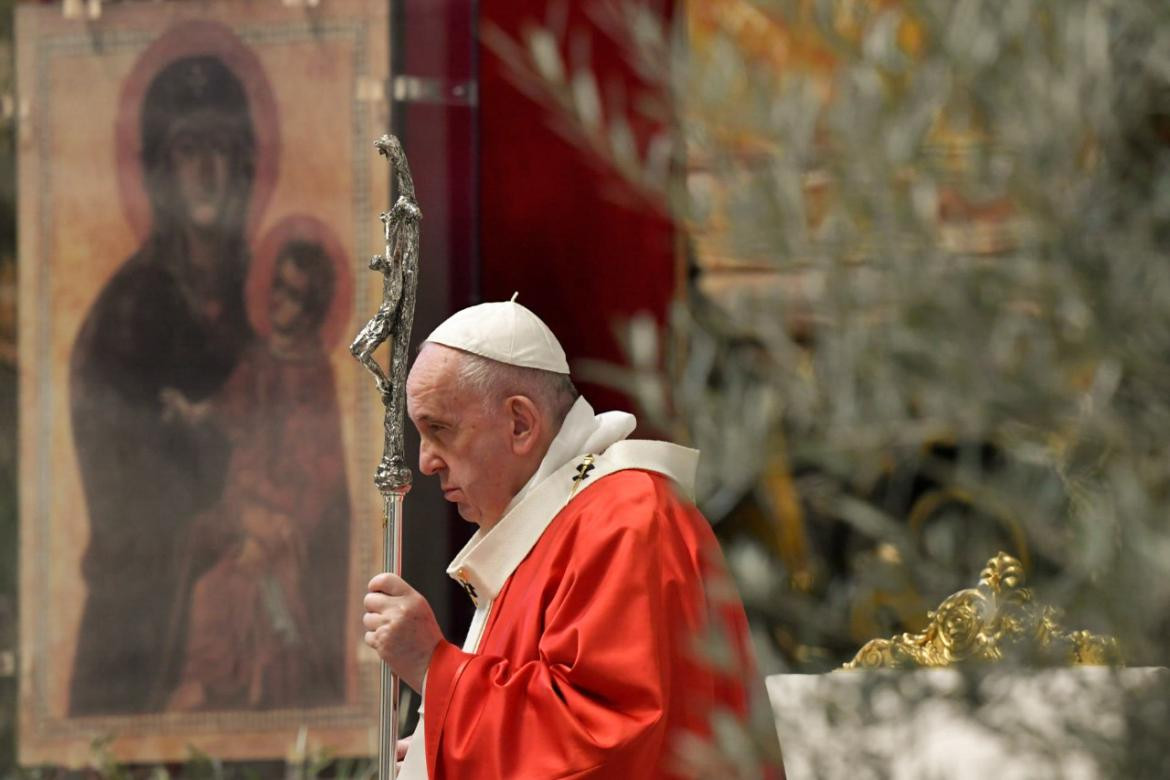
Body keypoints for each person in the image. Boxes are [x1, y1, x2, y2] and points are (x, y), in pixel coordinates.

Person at [362, 300, 784, 779]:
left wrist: (432, 666)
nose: (426, 462)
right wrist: (446, 749)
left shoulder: (627, 518)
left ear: (520, 424)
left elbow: (603, 739)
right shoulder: (558, 524)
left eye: (439, 430)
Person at [69, 54, 257, 714]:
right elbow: (123, 499)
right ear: (160, 170)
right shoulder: (125, 316)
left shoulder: (271, 298)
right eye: (187, 149)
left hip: (252, 618)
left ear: (244, 165)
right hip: (142, 635)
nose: (206, 170)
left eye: (221, 148)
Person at [162, 238, 350, 711]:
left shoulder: (315, 375)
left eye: (292, 293)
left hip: (285, 518)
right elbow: (228, 407)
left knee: (228, 591)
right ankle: (189, 680)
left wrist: (273, 529)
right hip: (241, 503)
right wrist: (190, 412)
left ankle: (225, 687)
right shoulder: (259, 358)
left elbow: (321, 468)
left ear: (311, 309)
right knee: (192, 555)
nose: (277, 300)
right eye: (276, 286)